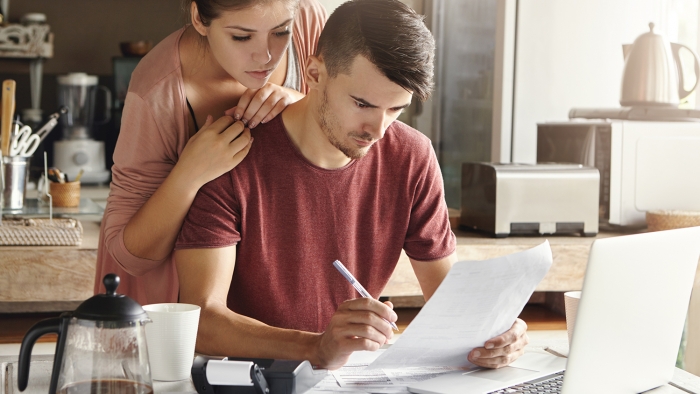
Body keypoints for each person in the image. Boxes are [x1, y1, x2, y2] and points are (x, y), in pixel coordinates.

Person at [174, 0, 528, 370]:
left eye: (396, 110)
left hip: (356, 380)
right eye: (362, 103)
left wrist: (496, 332)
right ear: (314, 72)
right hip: (255, 382)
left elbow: (452, 305)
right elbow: (201, 319)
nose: (378, 131)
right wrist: (316, 347)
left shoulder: (411, 156)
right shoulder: (230, 156)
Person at [94, 0, 326, 305]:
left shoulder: (309, 22)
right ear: (200, 19)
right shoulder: (156, 93)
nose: (266, 56)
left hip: (280, 286)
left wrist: (302, 105)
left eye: (280, 32)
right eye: (242, 37)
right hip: (181, 313)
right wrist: (189, 175)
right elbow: (130, 257)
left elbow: (352, 127)